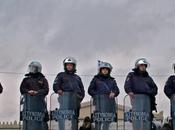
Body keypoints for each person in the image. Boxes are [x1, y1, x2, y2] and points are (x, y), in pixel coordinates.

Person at [53, 57, 85, 129]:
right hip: (64, 100)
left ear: (74, 66)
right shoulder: (60, 75)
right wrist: (58, 90)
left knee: (74, 118)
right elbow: (55, 85)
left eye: (71, 65)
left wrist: (80, 98)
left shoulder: (77, 78)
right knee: (63, 118)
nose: (69, 66)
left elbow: (82, 90)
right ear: (65, 66)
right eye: (67, 65)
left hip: (75, 102)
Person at [124, 58, 158, 124]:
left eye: (144, 65)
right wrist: (129, 91)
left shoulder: (148, 78)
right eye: (141, 65)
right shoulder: (131, 75)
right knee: (137, 118)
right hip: (136, 99)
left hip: (147, 101)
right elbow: (127, 85)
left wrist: (148, 92)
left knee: (147, 120)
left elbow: (155, 89)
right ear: (137, 66)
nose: (143, 67)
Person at [88, 60, 119, 130]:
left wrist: (114, 93)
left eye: (106, 69)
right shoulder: (96, 79)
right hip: (98, 103)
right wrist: (97, 95)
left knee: (107, 121)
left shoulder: (112, 80)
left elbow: (117, 90)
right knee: (98, 121)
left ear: (109, 71)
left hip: (109, 104)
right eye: (103, 69)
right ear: (100, 70)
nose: (105, 71)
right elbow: (90, 90)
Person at [20, 61, 49, 130]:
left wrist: (37, 92)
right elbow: (22, 89)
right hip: (28, 105)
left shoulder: (43, 79)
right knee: (28, 122)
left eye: (33, 68)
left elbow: (46, 90)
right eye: (30, 68)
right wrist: (28, 91)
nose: (31, 69)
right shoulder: (26, 79)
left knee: (41, 122)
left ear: (37, 69)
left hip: (40, 105)